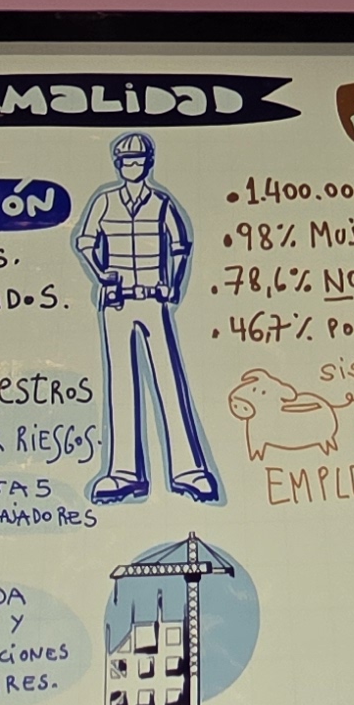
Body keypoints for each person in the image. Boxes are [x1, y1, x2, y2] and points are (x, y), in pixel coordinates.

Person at [72, 132, 221, 506]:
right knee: (121, 384)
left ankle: (189, 470)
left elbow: (180, 246)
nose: (132, 166)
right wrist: (101, 273)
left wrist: (173, 283)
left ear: (148, 163)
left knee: (168, 380)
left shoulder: (160, 202)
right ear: (118, 165)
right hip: (117, 300)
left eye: (138, 160)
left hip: (153, 298)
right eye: (126, 161)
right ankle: (123, 472)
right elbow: (84, 242)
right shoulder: (105, 201)